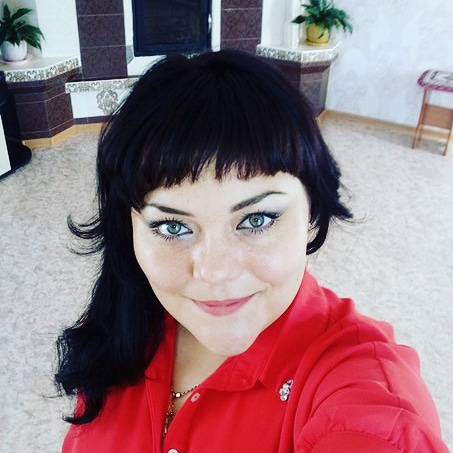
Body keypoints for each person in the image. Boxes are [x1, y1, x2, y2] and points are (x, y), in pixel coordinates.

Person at [55, 50, 448, 452]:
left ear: (312, 214)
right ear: (130, 230)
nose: (215, 272)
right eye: (173, 227)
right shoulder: (114, 322)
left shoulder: (360, 386)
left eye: (256, 220)